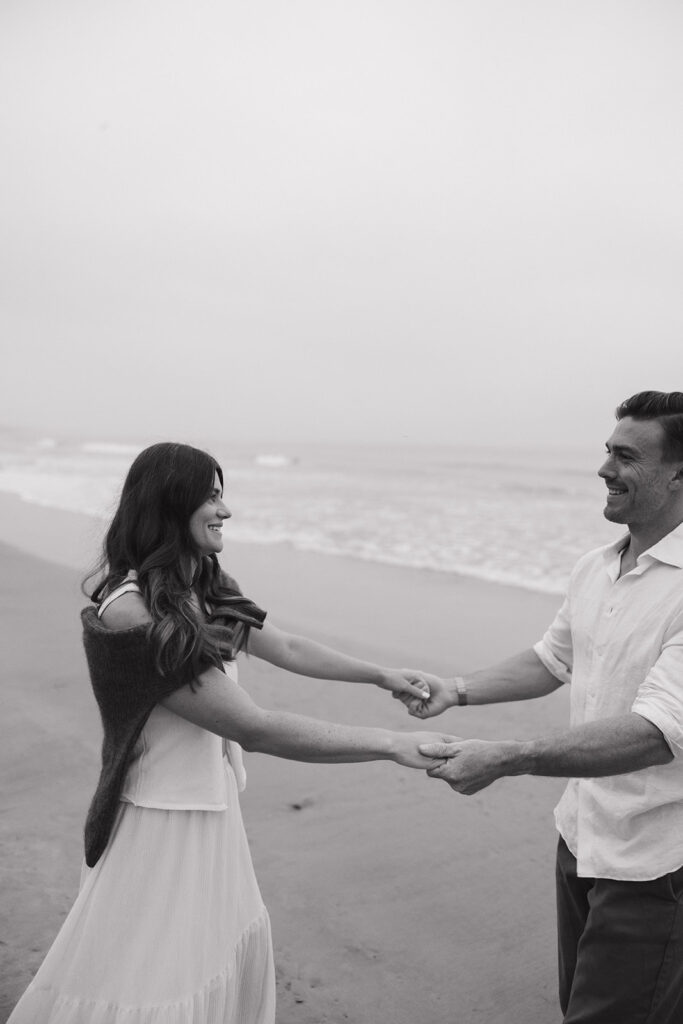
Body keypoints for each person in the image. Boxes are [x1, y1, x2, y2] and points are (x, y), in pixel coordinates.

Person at [8, 441, 451, 1024]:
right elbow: (253, 727)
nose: (226, 510)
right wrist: (390, 745)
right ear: (172, 504)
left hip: (210, 808)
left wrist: (379, 674)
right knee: (150, 983)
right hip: (158, 819)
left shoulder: (200, 584)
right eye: (211, 496)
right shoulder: (131, 610)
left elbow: (284, 645)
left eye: (223, 495)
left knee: (209, 962)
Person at [413, 390, 683, 1024]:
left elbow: (657, 733)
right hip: (581, 835)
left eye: (626, 456)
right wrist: (459, 689)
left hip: (656, 860)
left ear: (679, 475)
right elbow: (551, 660)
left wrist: (512, 756)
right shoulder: (596, 565)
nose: (604, 469)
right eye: (606, 451)